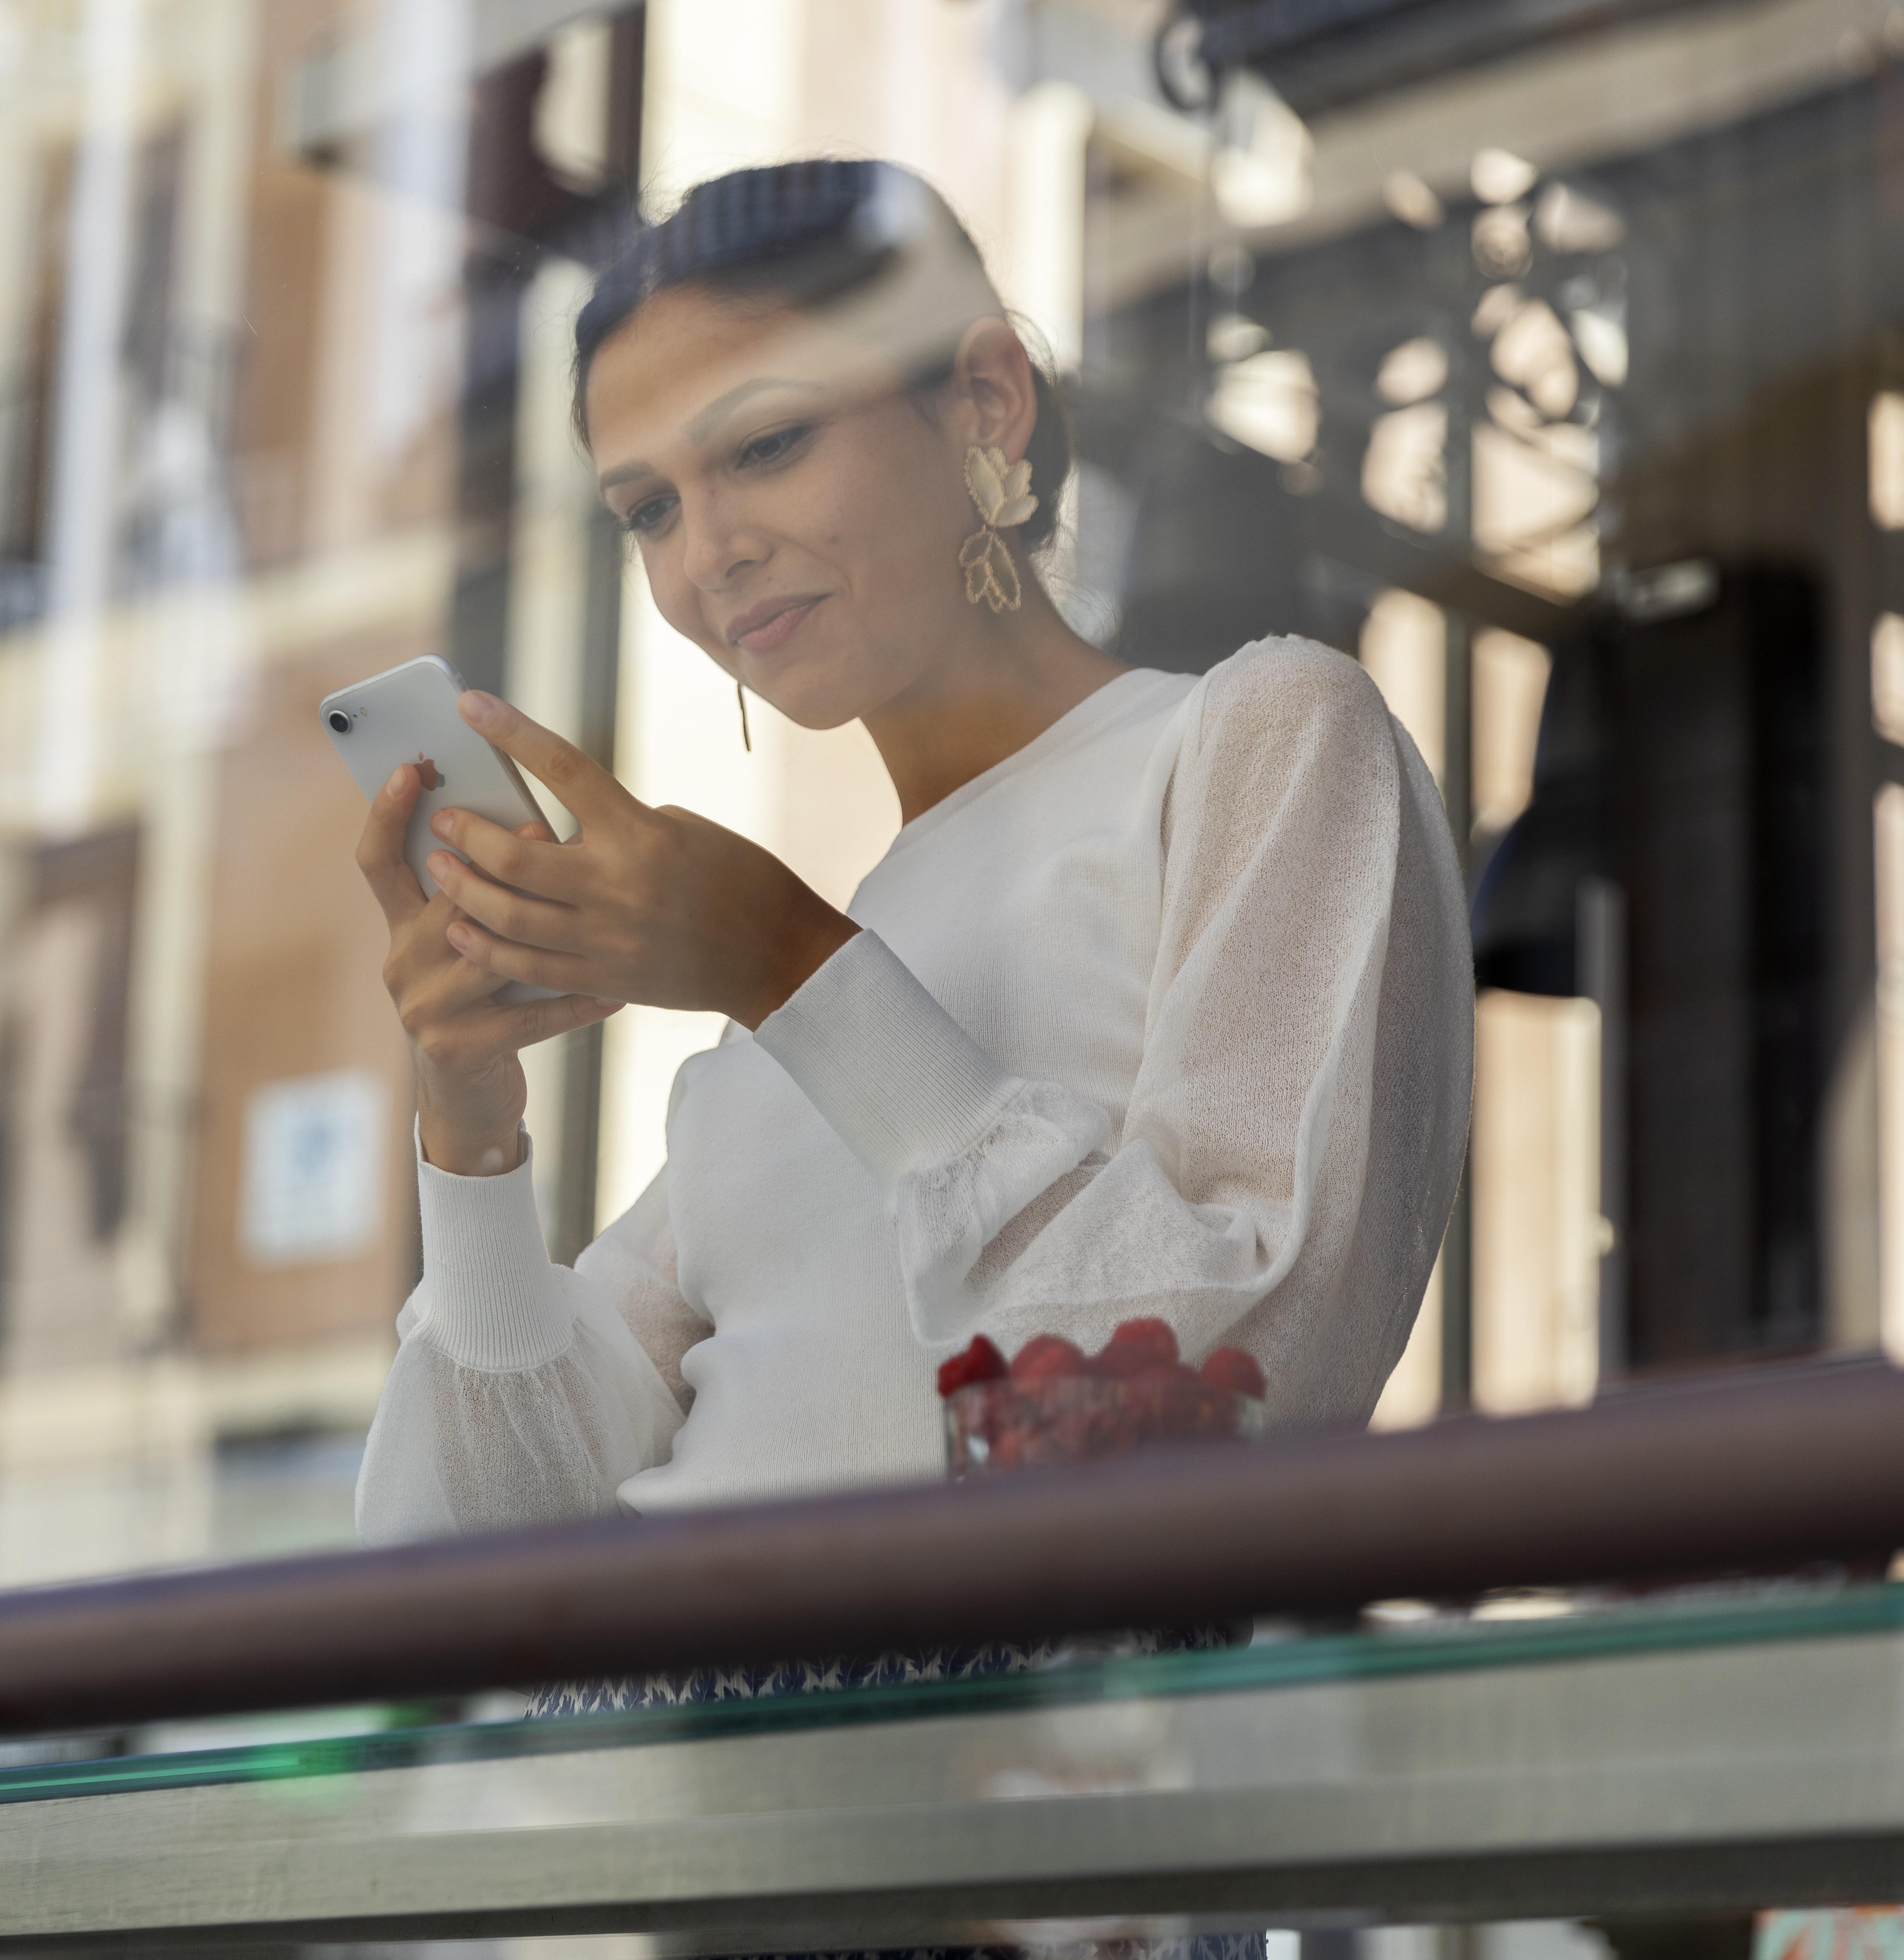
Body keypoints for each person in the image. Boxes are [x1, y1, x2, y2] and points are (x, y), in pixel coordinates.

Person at [346, 160, 1472, 1695]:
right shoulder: (794, 997)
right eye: (650, 508)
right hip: (696, 1889)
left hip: (1029, 1884)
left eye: (770, 442)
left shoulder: (1257, 740)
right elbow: (473, 1567)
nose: (707, 552)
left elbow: (1245, 1369)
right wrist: (470, 1126)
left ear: (986, 404)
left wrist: (788, 973)